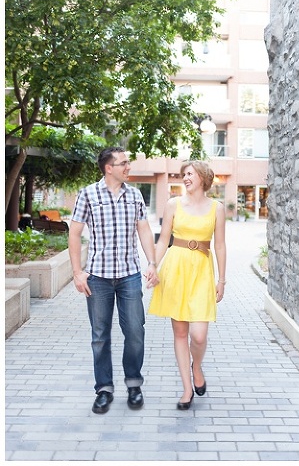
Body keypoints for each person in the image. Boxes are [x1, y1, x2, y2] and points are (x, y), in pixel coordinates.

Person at [69, 147, 159, 414]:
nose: (128, 167)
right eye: (124, 163)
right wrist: (77, 272)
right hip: (98, 277)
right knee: (100, 336)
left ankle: (134, 384)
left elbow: (144, 230)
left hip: (130, 275)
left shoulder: (134, 195)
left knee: (135, 331)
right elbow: (74, 233)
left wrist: (152, 263)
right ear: (109, 168)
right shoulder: (88, 194)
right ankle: (104, 389)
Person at [147, 160, 226, 410]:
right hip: (176, 269)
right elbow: (163, 240)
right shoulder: (173, 204)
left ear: (203, 177)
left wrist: (221, 279)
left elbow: (220, 245)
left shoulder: (217, 208)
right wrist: (153, 265)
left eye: (190, 173)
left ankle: (197, 366)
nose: (186, 178)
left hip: (202, 271)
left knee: (198, 335)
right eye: (184, 174)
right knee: (180, 333)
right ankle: (186, 388)